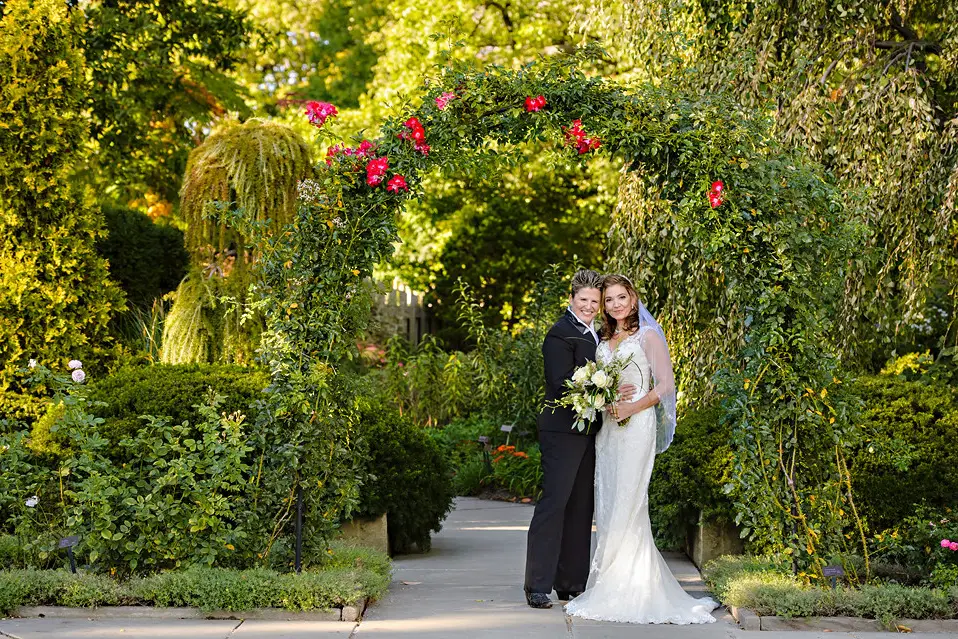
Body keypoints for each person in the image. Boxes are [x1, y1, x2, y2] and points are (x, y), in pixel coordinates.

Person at [564, 274, 718, 624]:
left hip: (637, 425)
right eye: (609, 300)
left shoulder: (648, 335)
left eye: (621, 297)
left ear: (633, 299)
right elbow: (600, 383)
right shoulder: (604, 338)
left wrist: (633, 407)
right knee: (608, 499)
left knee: (630, 502)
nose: (615, 305)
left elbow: (665, 384)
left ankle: (631, 588)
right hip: (609, 431)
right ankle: (608, 582)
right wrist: (599, 401)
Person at [523, 269, 633, 609]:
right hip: (561, 430)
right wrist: (607, 387)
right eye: (583, 300)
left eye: (594, 302)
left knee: (580, 506)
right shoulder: (560, 334)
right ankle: (537, 586)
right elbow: (560, 382)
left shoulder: (595, 333)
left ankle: (570, 583)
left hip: (589, 431)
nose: (588, 306)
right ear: (571, 299)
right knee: (555, 503)